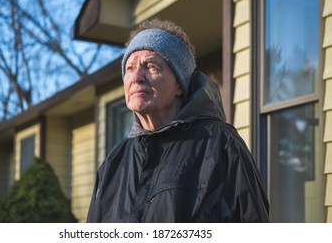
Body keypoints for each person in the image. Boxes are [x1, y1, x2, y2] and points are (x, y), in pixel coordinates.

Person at [87, 18, 270, 223]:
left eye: (151, 66)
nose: (137, 77)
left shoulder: (221, 145)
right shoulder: (113, 163)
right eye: (129, 68)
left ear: (179, 85)